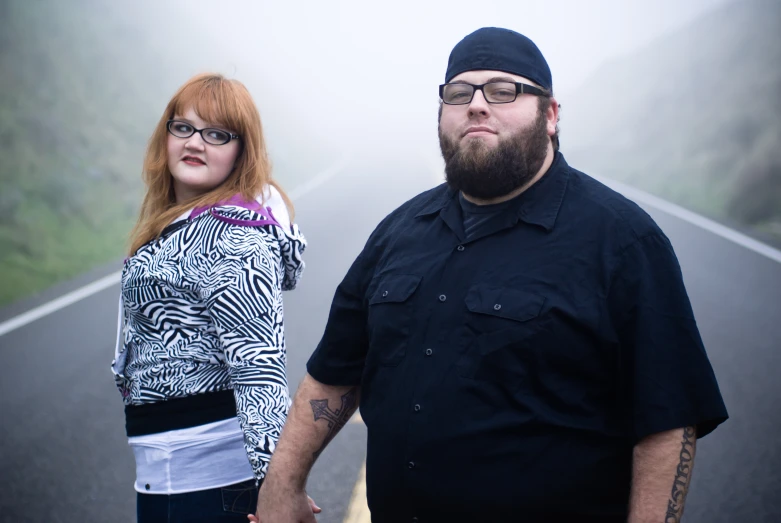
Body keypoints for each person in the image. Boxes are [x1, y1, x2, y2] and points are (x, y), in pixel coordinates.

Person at [252, 28, 729, 523]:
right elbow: (335, 372)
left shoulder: (623, 242)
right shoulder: (398, 233)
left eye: (504, 91)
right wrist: (283, 484)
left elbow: (669, 421)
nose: (477, 105)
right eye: (459, 94)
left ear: (550, 115)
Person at [111, 73, 318, 522]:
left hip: (208, 488)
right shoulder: (178, 224)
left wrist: (277, 489)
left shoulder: (234, 237)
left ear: (242, 150)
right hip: (168, 476)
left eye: (217, 134)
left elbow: (259, 369)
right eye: (182, 126)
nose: (195, 142)